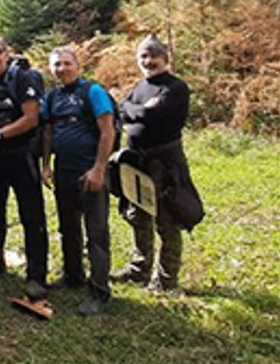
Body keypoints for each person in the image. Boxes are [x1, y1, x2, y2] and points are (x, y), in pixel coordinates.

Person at [111, 35, 200, 294]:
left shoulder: (175, 87)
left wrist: (134, 110)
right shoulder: (141, 86)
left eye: (154, 56)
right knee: (138, 216)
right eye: (143, 56)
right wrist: (134, 109)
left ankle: (166, 280)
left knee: (166, 219)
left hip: (164, 163)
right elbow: (122, 109)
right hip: (136, 162)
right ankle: (139, 269)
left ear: (165, 58)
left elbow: (148, 114)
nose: (148, 61)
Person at [0, 35, 49, 299]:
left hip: (21, 153)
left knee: (31, 214)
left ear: (6, 54)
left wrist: (1, 133)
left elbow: (32, 118)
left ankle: (36, 275)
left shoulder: (22, 79)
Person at [40, 46, 115, 315]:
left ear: (78, 66)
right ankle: (73, 275)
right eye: (56, 65)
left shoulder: (92, 92)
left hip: (89, 170)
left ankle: (99, 291)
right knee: (68, 226)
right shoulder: (52, 97)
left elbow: (107, 131)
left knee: (96, 232)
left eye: (66, 63)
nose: (61, 69)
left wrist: (99, 169)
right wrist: (46, 165)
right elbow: (48, 132)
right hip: (64, 171)